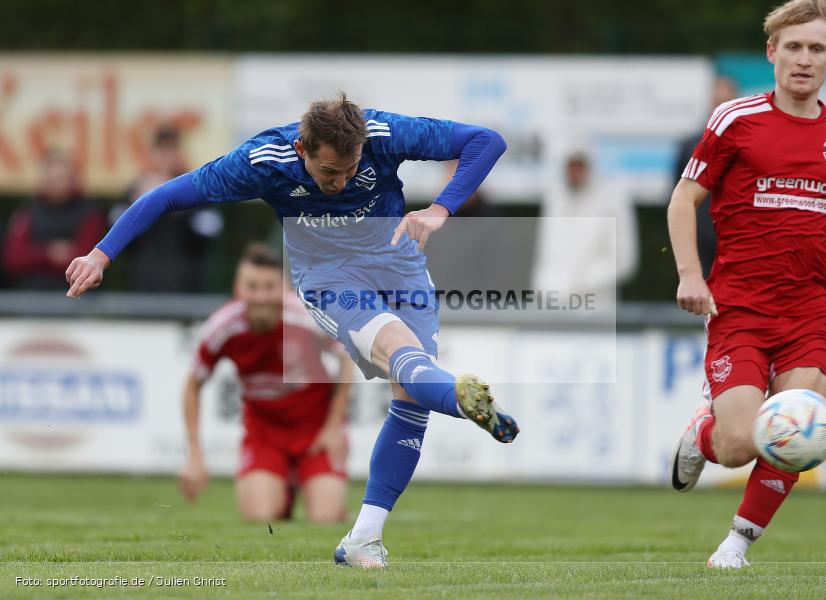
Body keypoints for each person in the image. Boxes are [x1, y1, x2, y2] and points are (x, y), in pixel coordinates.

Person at [64, 93, 519, 568]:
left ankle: (364, 538)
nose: (340, 182)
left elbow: (486, 142)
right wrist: (101, 254)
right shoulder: (264, 160)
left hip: (400, 263)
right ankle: (463, 400)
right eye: (328, 173)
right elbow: (169, 194)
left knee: (412, 398)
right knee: (399, 355)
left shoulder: (382, 132)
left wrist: (441, 208)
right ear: (302, 150)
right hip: (329, 278)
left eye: (350, 170)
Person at [667, 0, 826, 569]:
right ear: (772, 54)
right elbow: (684, 200)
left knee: (800, 428)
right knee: (737, 447)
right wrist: (690, 274)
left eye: (815, 49)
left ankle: (735, 548)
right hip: (740, 308)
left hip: (808, 310)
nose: (803, 59)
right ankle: (703, 434)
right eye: (793, 47)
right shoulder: (735, 120)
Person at [179, 244, 353, 523]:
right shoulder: (222, 327)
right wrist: (194, 456)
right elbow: (192, 386)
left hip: (315, 428)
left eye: (269, 286)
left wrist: (334, 427)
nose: (261, 296)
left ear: (283, 287)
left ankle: (312, 489)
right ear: (239, 288)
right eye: (253, 286)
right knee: (260, 518)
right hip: (264, 432)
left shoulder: (307, 316)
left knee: (326, 518)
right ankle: (282, 492)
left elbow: (348, 359)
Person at [117, 125, 222, 293]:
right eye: (161, 150)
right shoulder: (136, 188)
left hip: (185, 286)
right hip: (142, 284)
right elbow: (114, 226)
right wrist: (138, 204)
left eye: (171, 149)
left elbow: (212, 227)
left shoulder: (196, 185)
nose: (166, 157)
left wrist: (174, 202)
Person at [532, 151, 638, 302]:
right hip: (552, 307)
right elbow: (545, 255)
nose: (575, 171)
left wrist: (580, 284)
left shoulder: (613, 201)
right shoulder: (554, 198)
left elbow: (623, 262)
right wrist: (544, 289)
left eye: (579, 165)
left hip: (596, 307)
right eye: (571, 165)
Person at [2, 150, 105, 290]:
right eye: (53, 179)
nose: (58, 185)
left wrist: (35, 256)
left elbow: (90, 258)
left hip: (77, 296)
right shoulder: (28, 211)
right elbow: (14, 258)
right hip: (31, 297)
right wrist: (49, 253)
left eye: (62, 179)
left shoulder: (89, 213)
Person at [672, 75, 739, 278]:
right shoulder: (690, 144)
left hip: (736, 233)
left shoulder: (749, 146)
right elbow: (677, 191)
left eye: (727, 102)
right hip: (699, 232)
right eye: (718, 101)